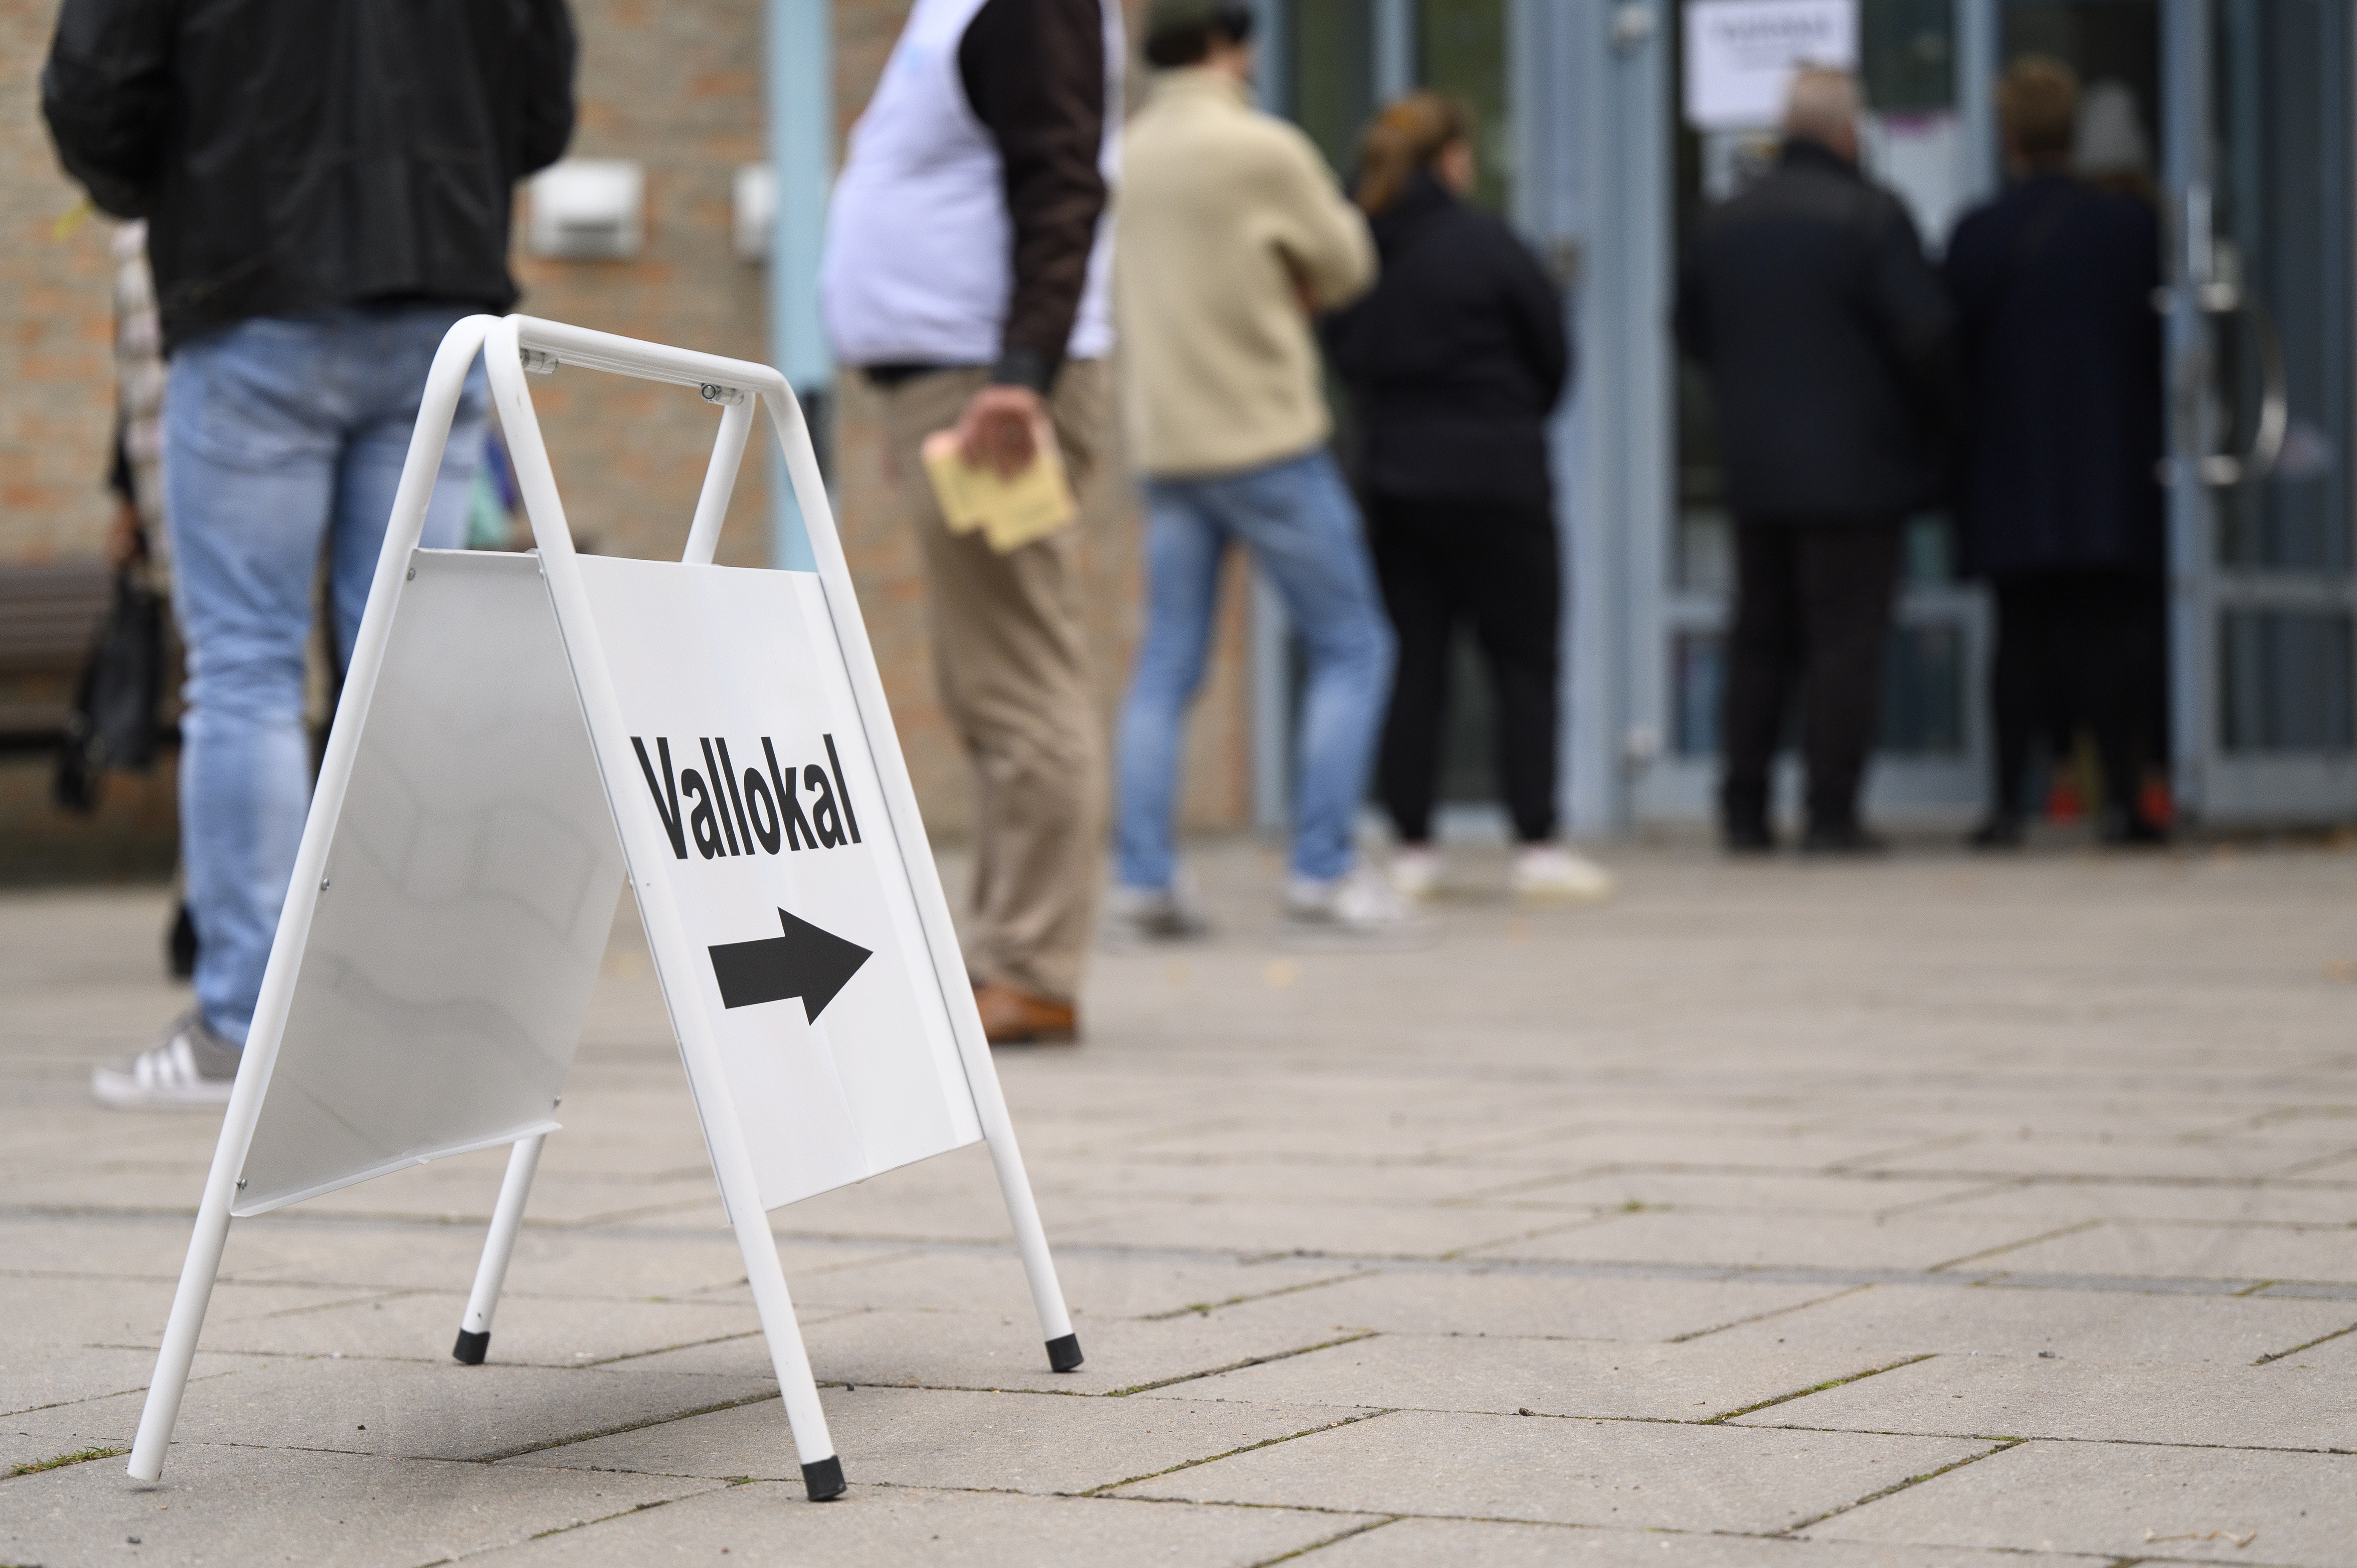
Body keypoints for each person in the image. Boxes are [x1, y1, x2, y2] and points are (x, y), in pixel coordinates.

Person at [45, 0, 577, 1109]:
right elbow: (541, 110)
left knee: (244, 668)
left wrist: (176, 182)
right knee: (408, 676)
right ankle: (411, 1020)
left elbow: (93, 94)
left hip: (250, 292)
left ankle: (242, 1025)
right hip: (440, 293)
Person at [819, 0, 1122, 1042]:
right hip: (957, 384)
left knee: (1019, 673)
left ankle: (1031, 964)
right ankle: (1003, 946)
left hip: (986, 397)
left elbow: (1064, 182)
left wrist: (1021, 374)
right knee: (988, 677)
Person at [1108, 0, 1410, 939]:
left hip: (1168, 442)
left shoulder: (1125, 154)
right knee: (1354, 643)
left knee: (1167, 662)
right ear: (1222, 46)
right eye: (1246, 48)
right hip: (1265, 437)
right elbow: (1351, 260)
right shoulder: (1261, 149)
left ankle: (1145, 878)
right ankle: (1322, 867)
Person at [1324, 94, 1610, 904]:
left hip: (1397, 481)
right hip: (1498, 477)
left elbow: (1343, 353)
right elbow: (1552, 351)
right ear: (1450, 160)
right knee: (1524, 660)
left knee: (1414, 662)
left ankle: (1412, 845)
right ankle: (1536, 844)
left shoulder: (1360, 245)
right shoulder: (1490, 245)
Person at [1674, 68, 1956, 855]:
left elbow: (1689, 331)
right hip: (1857, 473)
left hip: (1756, 468)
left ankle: (1743, 808)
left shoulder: (1722, 222)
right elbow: (1925, 337)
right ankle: (1830, 813)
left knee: (1759, 638)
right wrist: (1934, 429)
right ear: (1846, 131)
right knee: (1843, 645)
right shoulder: (1872, 217)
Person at [1945, 58, 2168, 847]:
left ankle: (2008, 804)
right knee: (2110, 635)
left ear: (2006, 137)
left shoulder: (1977, 233)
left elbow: (1951, 352)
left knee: (2021, 638)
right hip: (2107, 461)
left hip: (2009, 463)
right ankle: (2122, 802)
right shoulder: (2128, 230)